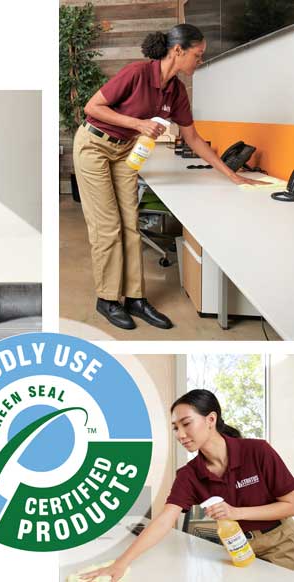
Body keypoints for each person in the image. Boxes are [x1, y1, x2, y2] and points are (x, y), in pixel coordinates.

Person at [73, 24, 265, 331]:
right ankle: (108, 299)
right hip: (94, 145)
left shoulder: (176, 91)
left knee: (130, 225)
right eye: (198, 55)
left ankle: (135, 297)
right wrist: (138, 124)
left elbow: (194, 139)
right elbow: (92, 107)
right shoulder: (137, 73)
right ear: (178, 51)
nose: (199, 62)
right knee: (108, 228)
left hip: (124, 152)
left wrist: (233, 175)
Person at [82, 389, 294, 579]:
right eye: (175, 428)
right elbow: (165, 520)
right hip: (233, 549)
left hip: (281, 543)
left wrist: (236, 513)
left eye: (186, 423)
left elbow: (290, 504)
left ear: (211, 419)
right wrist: (121, 563)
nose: (180, 435)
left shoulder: (257, 451)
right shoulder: (188, 474)